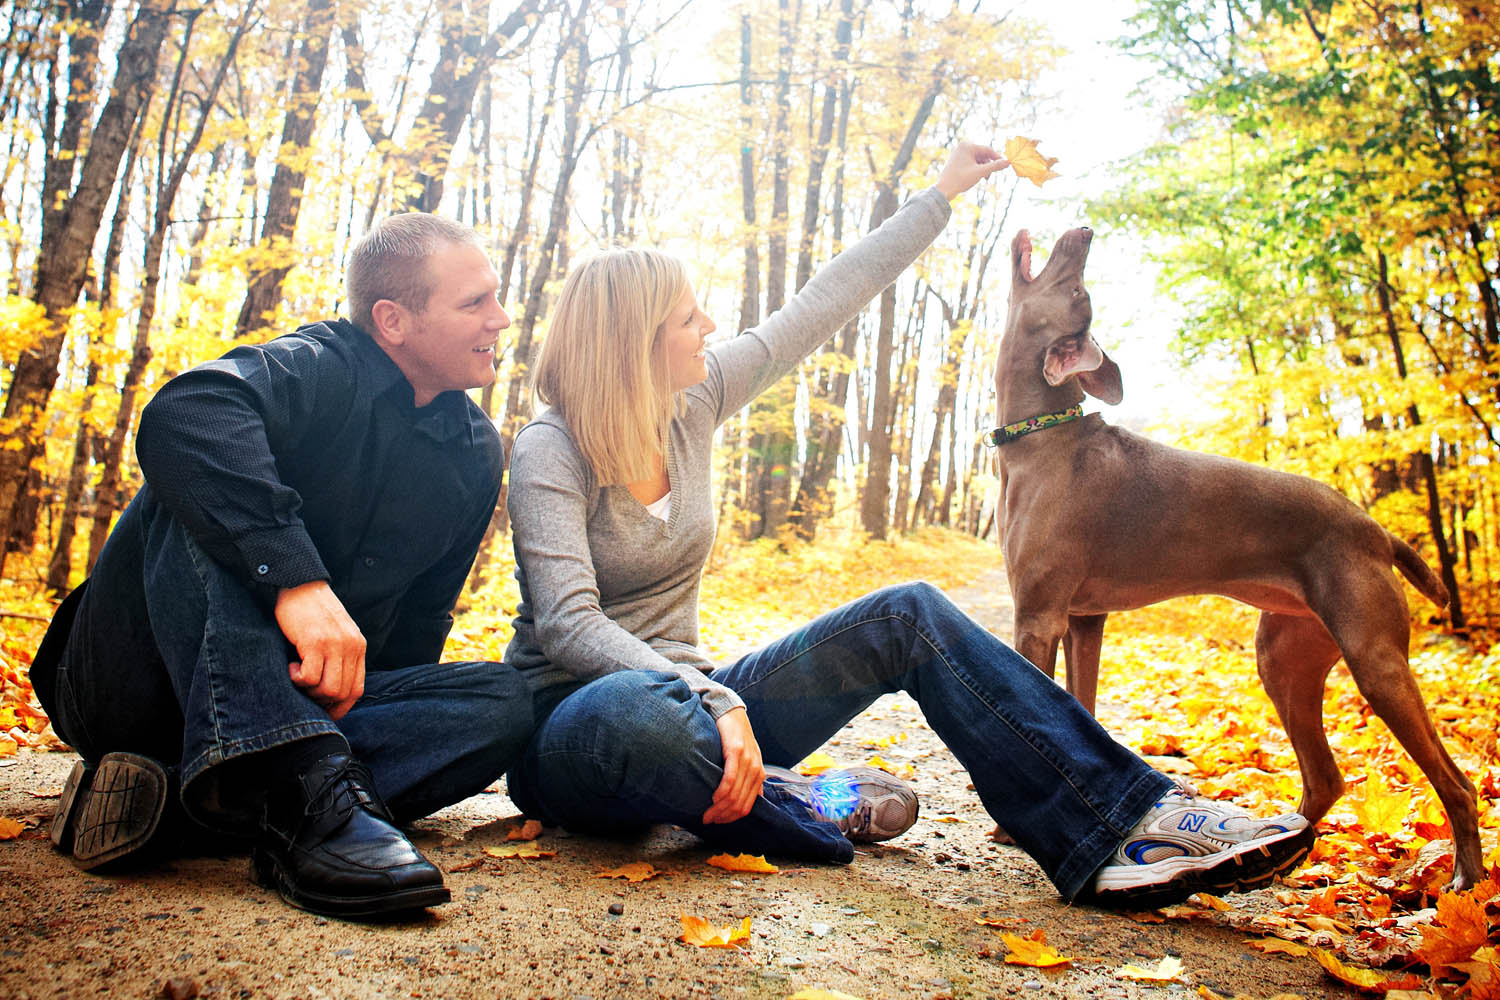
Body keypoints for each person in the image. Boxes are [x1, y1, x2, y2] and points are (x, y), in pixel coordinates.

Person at [502, 141, 1314, 907]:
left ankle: (1121, 826)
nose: (710, 328)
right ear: (634, 341)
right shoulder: (550, 450)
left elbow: (825, 298)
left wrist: (943, 193)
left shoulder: (697, 397)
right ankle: (801, 800)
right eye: (688, 319)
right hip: (583, 729)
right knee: (635, 719)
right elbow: (571, 626)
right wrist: (713, 697)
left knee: (908, 611)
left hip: (712, 717)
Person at [29, 214, 531, 919]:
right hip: (130, 685)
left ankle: (187, 801)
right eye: (474, 302)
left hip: (295, 702)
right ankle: (308, 795)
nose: (501, 320)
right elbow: (185, 413)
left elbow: (423, 617)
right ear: (393, 320)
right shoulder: (317, 366)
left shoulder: (476, 453)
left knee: (507, 701)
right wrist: (297, 581)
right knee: (191, 486)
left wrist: (375, 690)